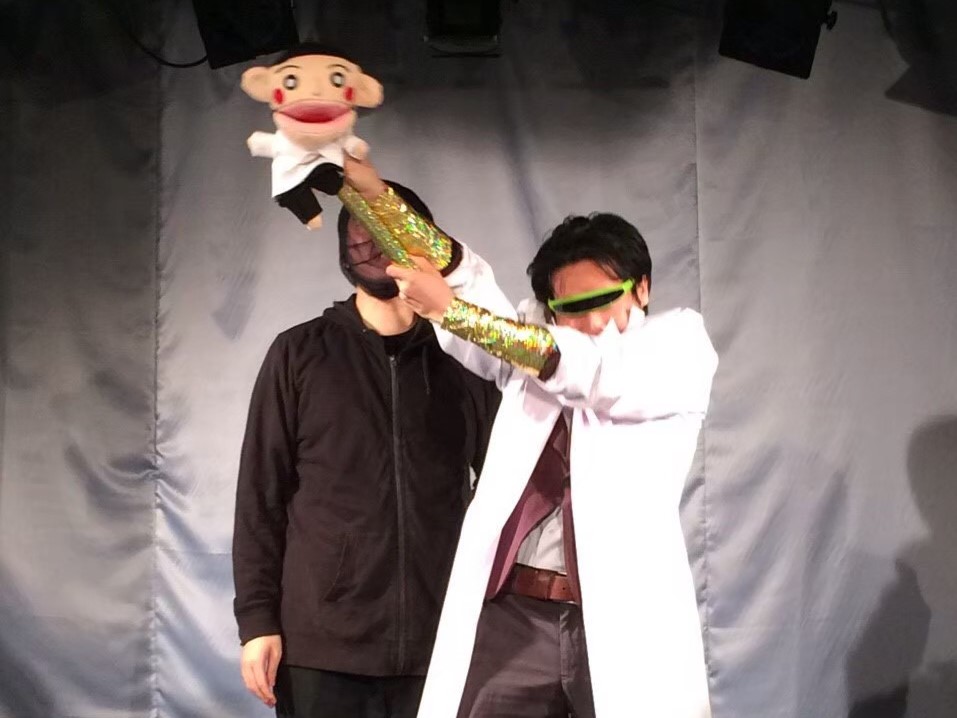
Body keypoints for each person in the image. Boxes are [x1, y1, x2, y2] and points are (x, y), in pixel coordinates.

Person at [341, 157, 718, 717]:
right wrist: (371, 195)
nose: (592, 322)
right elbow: (463, 278)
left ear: (641, 288)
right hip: (515, 613)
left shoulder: (677, 346)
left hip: (621, 619)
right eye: (572, 309)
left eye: (605, 299)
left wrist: (454, 312)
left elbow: (588, 371)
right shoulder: (531, 348)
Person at [231, 180, 500, 718]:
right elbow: (260, 495)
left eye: (391, 231)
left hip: (440, 643)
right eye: (363, 233)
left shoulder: (467, 361)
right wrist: (257, 622)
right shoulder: (299, 354)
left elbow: (504, 489)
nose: (376, 247)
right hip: (322, 647)